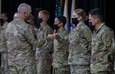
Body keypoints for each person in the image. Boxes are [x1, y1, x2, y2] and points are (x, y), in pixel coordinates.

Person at [0, 3, 48, 74]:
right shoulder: (26, 27)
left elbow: (2, 45)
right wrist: (48, 38)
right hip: (26, 65)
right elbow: (36, 43)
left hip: (12, 63)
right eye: (30, 13)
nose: (30, 14)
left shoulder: (7, 26)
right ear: (25, 13)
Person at [88, 8, 115, 74]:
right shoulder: (95, 32)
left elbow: (112, 51)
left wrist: (107, 63)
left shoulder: (106, 31)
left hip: (103, 69)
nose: (89, 21)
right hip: (95, 68)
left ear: (97, 20)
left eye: (90, 19)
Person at [68, 9, 92, 74]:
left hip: (82, 62)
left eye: (74, 16)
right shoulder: (74, 29)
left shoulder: (85, 28)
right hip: (73, 61)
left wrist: (85, 53)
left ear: (80, 17)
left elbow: (91, 43)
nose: (72, 18)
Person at [35, 10, 53, 74]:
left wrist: (44, 53)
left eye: (40, 16)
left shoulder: (48, 29)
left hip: (44, 57)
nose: (38, 18)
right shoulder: (40, 28)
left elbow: (50, 44)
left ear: (45, 18)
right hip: (39, 56)